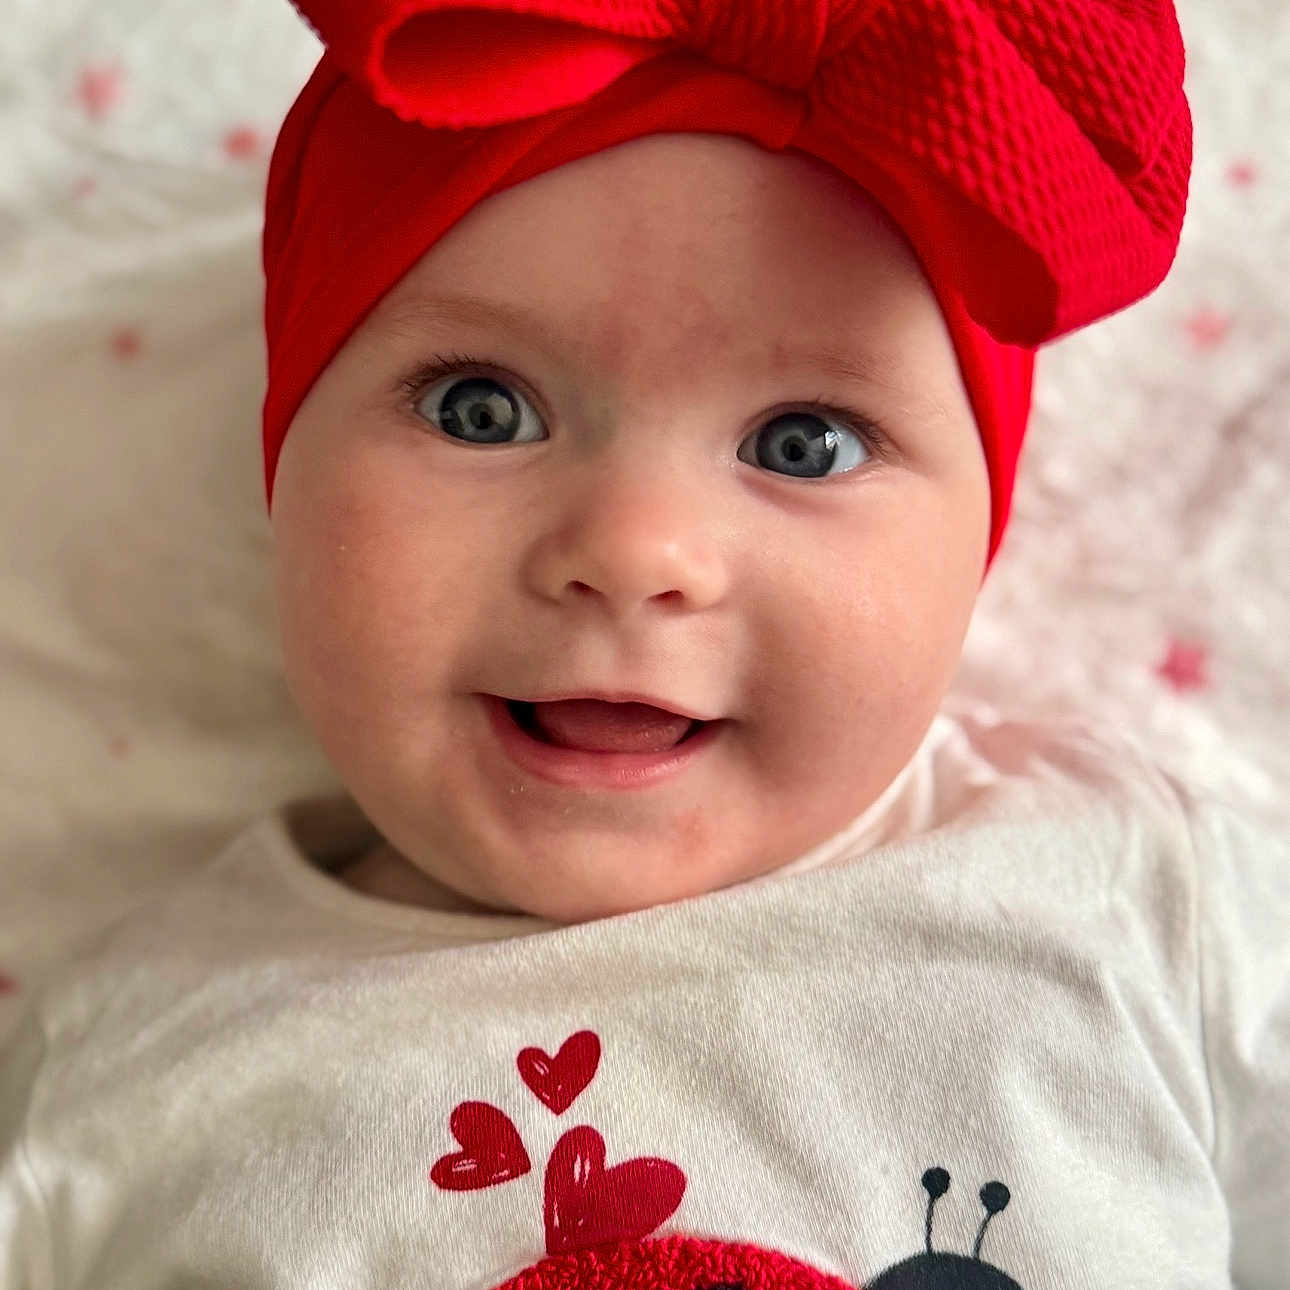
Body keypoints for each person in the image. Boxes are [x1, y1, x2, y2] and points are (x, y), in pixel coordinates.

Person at [2, 1, 1286, 1286]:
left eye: (805, 445)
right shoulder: (128, 1055)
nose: (633, 548)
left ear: (978, 544)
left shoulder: (1144, 896)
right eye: (480, 408)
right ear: (283, 475)